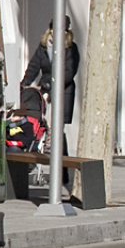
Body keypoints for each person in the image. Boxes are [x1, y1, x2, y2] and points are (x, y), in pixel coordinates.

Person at [23, 16, 81, 182]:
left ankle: (61, 173)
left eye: (62, 30)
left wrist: (49, 84)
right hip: (45, 91)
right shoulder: (43, 47)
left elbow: (69, 72)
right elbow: (34, 66)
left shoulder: (71, 49)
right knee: (45, 126)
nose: (57, 33)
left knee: (57, 131)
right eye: (55, 29)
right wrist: (25, 83)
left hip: (62, 91)